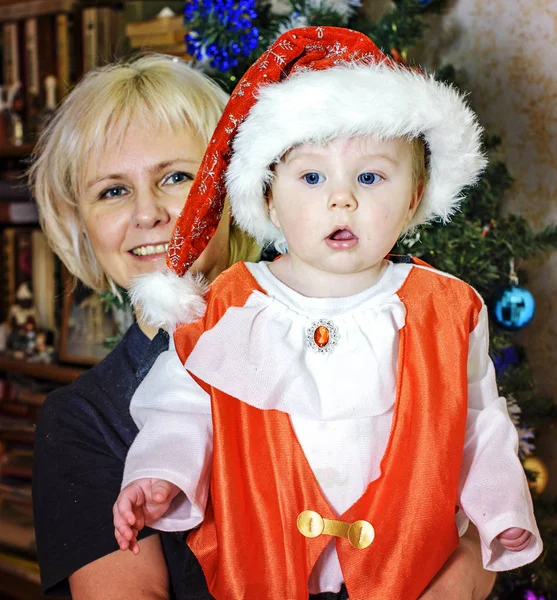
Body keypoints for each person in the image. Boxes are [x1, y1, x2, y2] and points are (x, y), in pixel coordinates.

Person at [113, 27, 541, 599]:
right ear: (267, 196)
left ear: (414, 196)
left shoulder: (447, 308)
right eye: (311, 177)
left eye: (370, 176)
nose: (342, 199)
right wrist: (159, 473)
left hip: (408, 569)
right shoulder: (232, 304)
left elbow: (479, 422)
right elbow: (182, 407)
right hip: (261, 563)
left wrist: (499, 508)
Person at [29, 54, 260, 599]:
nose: (147, 213)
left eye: (177, 177)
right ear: (80, 224)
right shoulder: (82, 423)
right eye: (113, 190)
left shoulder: (339, 333)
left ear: (237, 189)